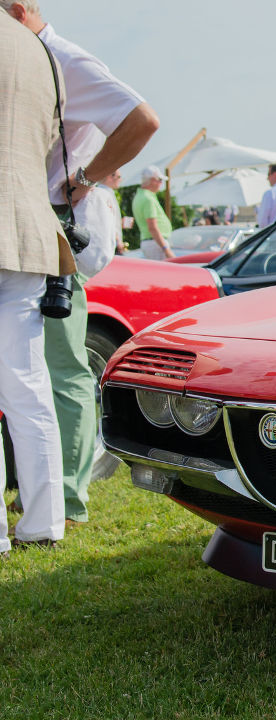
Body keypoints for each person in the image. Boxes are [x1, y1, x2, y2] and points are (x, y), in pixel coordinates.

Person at [6, 0, 160, 525]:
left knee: (60, 366)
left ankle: (67, 497)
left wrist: (88, 178)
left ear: (20, 10)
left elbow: (142, 119)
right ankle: (51, 495)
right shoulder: (39, 56)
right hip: (38, 224)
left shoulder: (62, 58)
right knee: (43, 368)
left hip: (52, 226)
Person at [0, 13, 66, 552]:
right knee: (28, 386)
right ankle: (43, 525)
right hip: (26, 227)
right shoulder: (42, 52)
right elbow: (47, 141)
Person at [132, 165, 173, 260]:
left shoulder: (140, 196)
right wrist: (165, 249)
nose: (161, 183)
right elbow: (152, 227)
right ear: (153, 180)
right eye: (159, 180)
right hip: (156, 243)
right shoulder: (148, 198)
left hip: (152, 242)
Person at [101, 169, 125, 254]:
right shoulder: (105, 193)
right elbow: (108, 220)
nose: (120, 180)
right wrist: (118, 240)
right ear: (109, 177)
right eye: (119, 177)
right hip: (112, 244)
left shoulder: (106, 192)